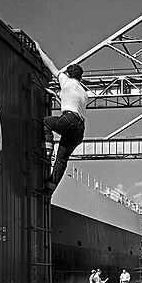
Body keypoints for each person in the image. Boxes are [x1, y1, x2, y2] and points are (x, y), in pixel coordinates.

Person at [35, 41, 87, 196]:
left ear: (69, 74)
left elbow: (50, 64)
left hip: (69, 119)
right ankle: (50, 188)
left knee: (46, 122)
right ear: (81, 77)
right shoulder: (84, 93)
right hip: (79, 129)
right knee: (62, 159)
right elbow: (71, 106)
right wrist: (56, 97)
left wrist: (39, 49)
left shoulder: (66, 80)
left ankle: (47, 150)